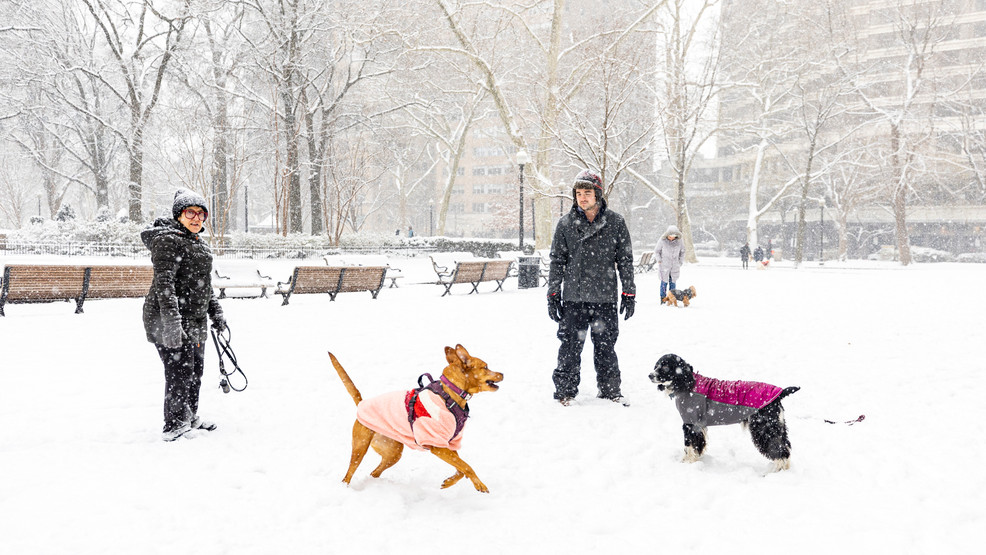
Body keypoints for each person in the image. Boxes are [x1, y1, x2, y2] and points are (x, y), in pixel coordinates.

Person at [142, 189, 226, 442]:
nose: (196, 218)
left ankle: (189, 417)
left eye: (201, 214)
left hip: (196, 319)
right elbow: (163, 285)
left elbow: (205, 284)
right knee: (179, 371)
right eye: (190, 212)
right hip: (168, 318)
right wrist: (172, 324)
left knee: (195, 371)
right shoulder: (167, 240)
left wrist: (216, 312)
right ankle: (174, 425)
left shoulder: (199, 244)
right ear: (179, 214)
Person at [547, 170, 635, 407]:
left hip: (604, 297)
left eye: (587, 193)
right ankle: (565, 392)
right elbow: (557, 260)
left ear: (598, 194)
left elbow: (625, 259)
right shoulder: (565, 224)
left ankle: (610, 390)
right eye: (578, 193)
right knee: (570, 347)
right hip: (574, 298)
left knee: (606, 347)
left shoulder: (615, 222)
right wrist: (553, 293)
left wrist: (629, 290)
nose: (582, 198)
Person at [654, 225, 685, 303]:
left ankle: (671, 298)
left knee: (673, 282)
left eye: (673, 236)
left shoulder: (680, 241)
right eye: (670, 236)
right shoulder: (662, 240)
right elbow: (657, 251)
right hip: (664, 264)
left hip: (675, 265)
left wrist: (680, 261)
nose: (671, 238)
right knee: (664, 282)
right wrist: (659, 260)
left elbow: (682, 251)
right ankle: (663, 298)